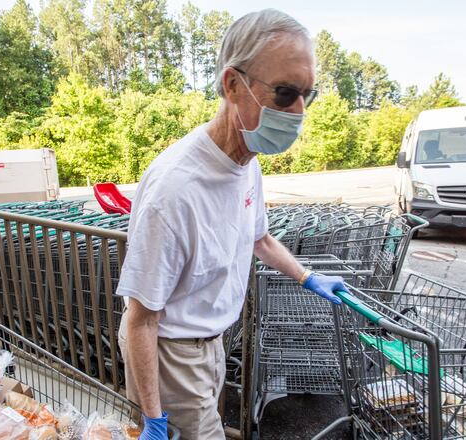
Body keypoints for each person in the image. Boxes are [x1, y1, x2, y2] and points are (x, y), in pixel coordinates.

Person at [116, 9, 350, 440]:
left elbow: (257, 236)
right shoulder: (175, 191)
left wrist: (307, 276)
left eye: (306, 95)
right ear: (232, 84)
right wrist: (152, 416)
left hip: (211, 344)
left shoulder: (247, 161)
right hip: (171, 354)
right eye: (284, 93)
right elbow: (140, 320)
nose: (299, 111)